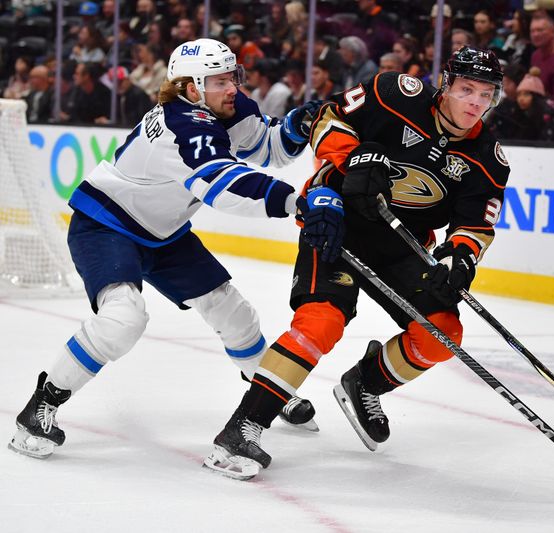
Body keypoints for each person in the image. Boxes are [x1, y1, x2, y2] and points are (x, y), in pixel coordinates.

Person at [8, 38, 343, 460]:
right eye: (220, 81)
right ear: (190, 89)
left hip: (164, 233)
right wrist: (297, 201)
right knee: (123, 318)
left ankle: (269, 393)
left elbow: (264, 147)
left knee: (233, 310)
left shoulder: (225, 108)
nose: (233, 88)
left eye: (233, 77)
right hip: (105, 226)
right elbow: (223, 184)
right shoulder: (182, 126)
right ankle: (41, 405)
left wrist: (292, 128)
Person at [203, 46, 510, 481]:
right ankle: (242, 428)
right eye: (466, 89)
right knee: (321, 321)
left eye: (486, 94)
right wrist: (351, 160)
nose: (475, 103)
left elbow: (474, 224)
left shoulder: (488, 158)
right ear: (445, 84)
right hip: (338, 217)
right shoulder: (393, 92)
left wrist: (460, 259)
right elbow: (326, 116)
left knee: (443, 333)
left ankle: (365, 383)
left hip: (402, 244)